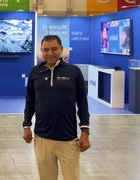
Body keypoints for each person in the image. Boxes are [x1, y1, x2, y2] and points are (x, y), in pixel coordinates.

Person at [22, 35, 91, 180]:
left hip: (68, 140)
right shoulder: (35, 72)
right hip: (42, 139)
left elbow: (82, 103)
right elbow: (30, 101)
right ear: (41, 51)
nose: (50, 53)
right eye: (46, 49)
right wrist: (26, 126)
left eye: (54, 49)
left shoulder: (74, 72)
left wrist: (85, 131)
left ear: (61, 50)